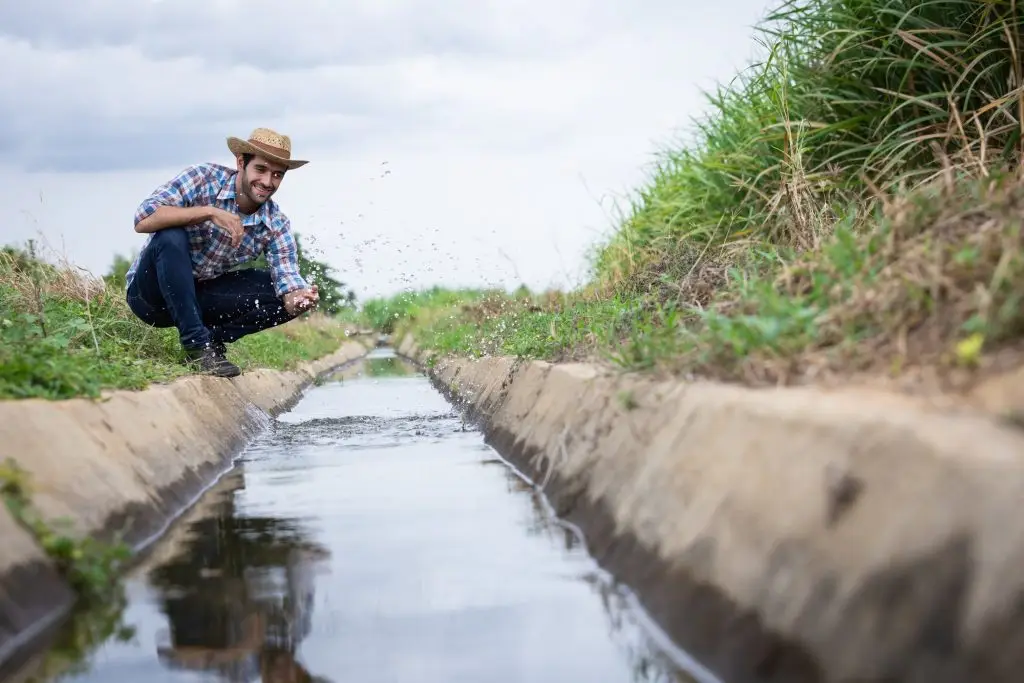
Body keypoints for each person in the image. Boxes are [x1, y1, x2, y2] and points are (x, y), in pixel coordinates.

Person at [124, 127, 321, 378]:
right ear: (241, 162)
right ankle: (197, 345)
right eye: (260, 170)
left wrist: (298, 299)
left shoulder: (276, 223)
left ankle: (212, 342)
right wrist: (208, 212)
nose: (267, 182)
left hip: (199, 299)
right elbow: (143, 218)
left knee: (278, 290)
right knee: (170, 235)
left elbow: (288, 278)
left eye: (277, 175)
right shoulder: (203, 178)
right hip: (150, 297)